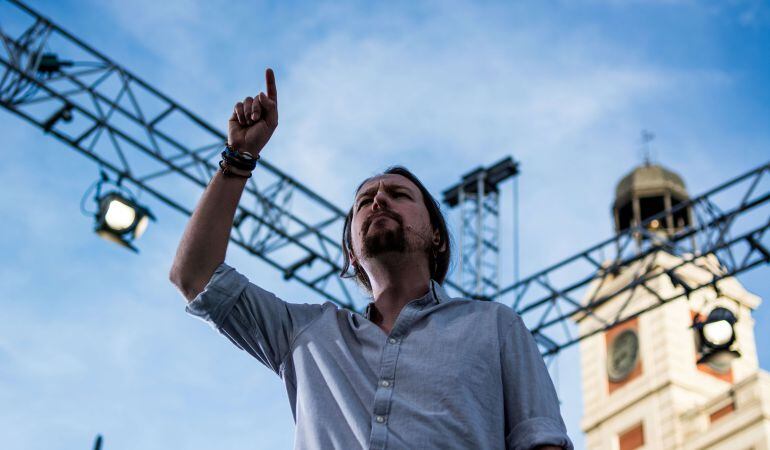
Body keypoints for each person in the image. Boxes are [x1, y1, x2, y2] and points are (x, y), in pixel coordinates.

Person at [169, 68, 573, 450]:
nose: (378, 199)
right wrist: (239, 157)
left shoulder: (494, 326)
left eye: (399, 195)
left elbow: (543, 443)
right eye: (365, 201)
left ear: (437, 236)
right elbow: (195, 276)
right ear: (351, 253)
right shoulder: (307, 333)